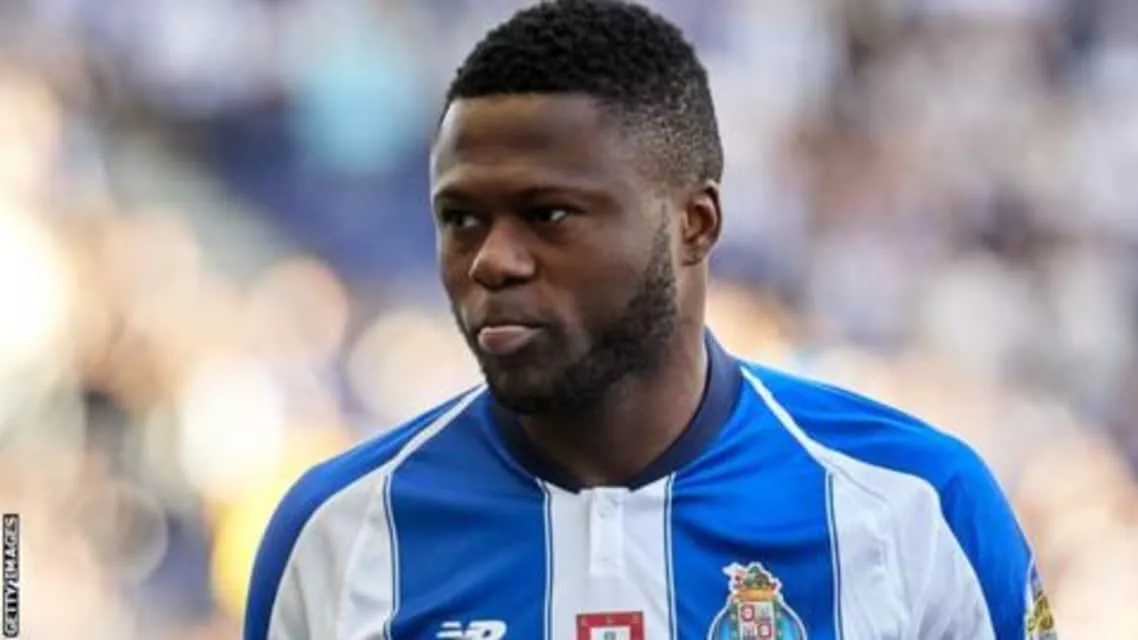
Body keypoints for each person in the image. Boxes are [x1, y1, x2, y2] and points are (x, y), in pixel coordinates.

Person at [244, 1, 1056, 638]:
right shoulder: (338, 533)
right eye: (461, 219)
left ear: (694, 225)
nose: (493, 260)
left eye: (548, 214)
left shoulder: (916, 506)